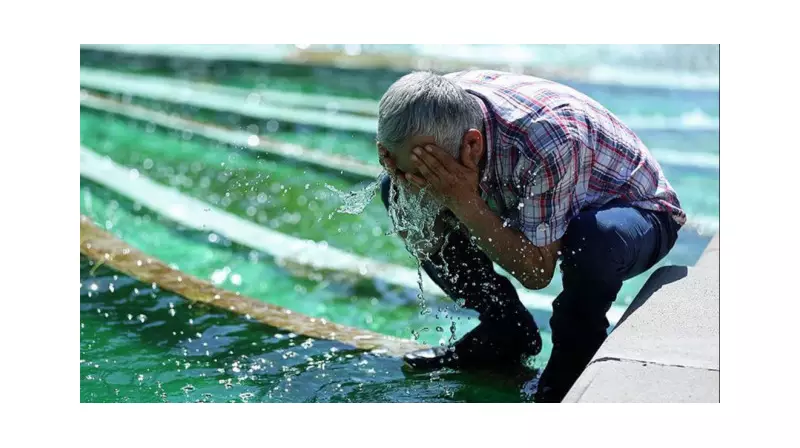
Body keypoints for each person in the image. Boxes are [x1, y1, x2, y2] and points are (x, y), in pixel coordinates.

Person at [376, 70, 684, 402]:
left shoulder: (547, 138)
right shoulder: (419, 114)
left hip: (638, 213)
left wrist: (464, 202)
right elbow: (420, 223)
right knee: (394, 191)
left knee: (591, 238)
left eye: (428, 172)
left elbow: (537, 272)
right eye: (399, 166)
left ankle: (570, 371)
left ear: (472, 144)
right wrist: (413, 189)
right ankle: (506, 330)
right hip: (538, 187)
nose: (415, 180)